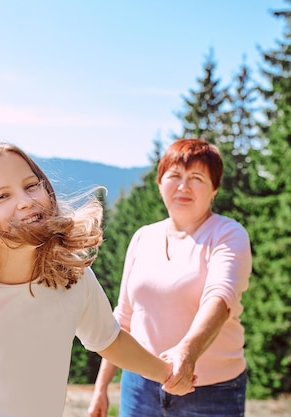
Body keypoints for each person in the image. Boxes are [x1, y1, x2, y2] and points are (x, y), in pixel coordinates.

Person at [0, 142, 194, 417]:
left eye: (31, 185)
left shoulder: (71, 276)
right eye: (2, 196)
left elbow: (109, 340)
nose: (26, 201)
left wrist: (165, 373)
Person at [88, 138, 253, 417]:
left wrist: (186, 355)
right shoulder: (143, 237)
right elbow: (125, 316)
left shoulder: (228, 234)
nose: (183, 186)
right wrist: (101, 387)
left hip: (211, 392)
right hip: (139, 386)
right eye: (174, 175)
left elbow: (220, 298)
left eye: (196, 178)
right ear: (159, 183)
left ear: (214, 189)